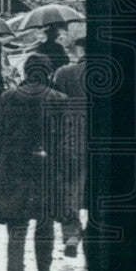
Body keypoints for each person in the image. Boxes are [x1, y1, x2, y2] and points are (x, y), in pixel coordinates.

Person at [0, 54, 76, 271]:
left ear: (26, 72)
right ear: (48, 73)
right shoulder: (60, 101)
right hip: (47, 176)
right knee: (44, 229)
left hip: (13, 174)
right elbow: (69, 144)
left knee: (16, 235)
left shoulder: (7, 98)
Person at [52, 35, 88, 257]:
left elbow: (54, 110)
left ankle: (72, 233)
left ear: (79, 50)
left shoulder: (64, 72)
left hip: (71, 140)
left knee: (68, 188)